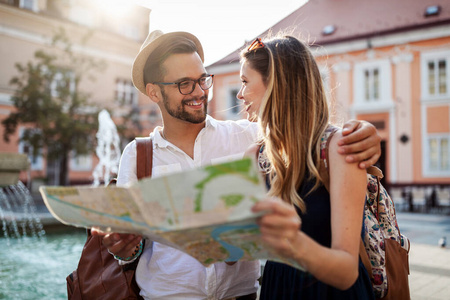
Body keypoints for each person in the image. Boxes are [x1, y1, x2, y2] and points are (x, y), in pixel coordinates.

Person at [92, 30, 381, 299]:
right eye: (184, 84)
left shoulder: (248, 137)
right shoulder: (137, 155)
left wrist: (365, 133)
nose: (200, 92)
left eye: (203, 79)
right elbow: (132, 249)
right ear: (154, 92)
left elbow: (302, 132)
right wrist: (124, 246)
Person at [240, 35, 376, 299]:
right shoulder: (254, 157)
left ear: (277, 86)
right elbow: (241, 251)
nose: (239, 93)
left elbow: (347, 271)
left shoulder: (337, 148)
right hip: (277, 288)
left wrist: (289, 240)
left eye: (245, 81)